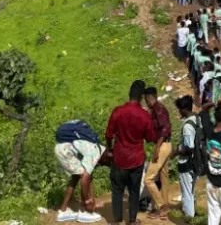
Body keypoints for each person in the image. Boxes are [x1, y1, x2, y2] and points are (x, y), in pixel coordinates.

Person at [105, 80, 157, 225]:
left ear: (129, 94)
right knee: (134, 191)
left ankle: (116, 220)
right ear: (141, 97)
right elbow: (150, 137)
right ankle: (132, 220)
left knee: (117, 190)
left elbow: (109, 134)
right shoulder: (145, 116)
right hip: (136, 159)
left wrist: (110, 149)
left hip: (119, 158)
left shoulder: (118, 111)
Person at [54, 122, 109, 223]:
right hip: (64, 151)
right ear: (106, 157)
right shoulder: (95, 152)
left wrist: (92, 198)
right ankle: (84, 211)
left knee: (76, 177)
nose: (102, 165)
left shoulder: (97, 148)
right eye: (106, 163)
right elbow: (84, 180)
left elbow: (89, 176)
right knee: (83, 175)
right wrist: (88, 201)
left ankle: (63, 210)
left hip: (62, 148)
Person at [144, 87, 174, 218]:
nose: (146, 103)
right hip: (166, 145)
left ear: (150, 98)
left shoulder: (158, 109)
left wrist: (157, 147)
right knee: (164, 177)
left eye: (146, 100)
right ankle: (164, 209)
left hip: (162, 146)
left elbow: (165, 129)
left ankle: (162, 206)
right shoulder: (157, 109)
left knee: (148, 179)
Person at [173, 96, 199, 221]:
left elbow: (189, 148)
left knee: (187, 192)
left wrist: (176, 151)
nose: (179, 112)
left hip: (187, 163)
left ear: (184, 109)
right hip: (198, 161)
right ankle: (192, 210)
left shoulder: (188, 126)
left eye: (179, 109)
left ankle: (189, 218)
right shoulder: (197, 119)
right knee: (191, 190)